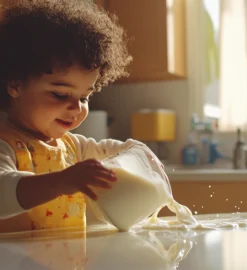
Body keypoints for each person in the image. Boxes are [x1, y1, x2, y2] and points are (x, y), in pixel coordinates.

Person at [0, 0, 163, 233]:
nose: (76, 107)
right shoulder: (5, 143)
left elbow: (117, 151)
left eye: (85, 97)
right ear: (15, 84)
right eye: (60, 94)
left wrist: (141, 153)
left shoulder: (73, 147)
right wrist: (61, 181)